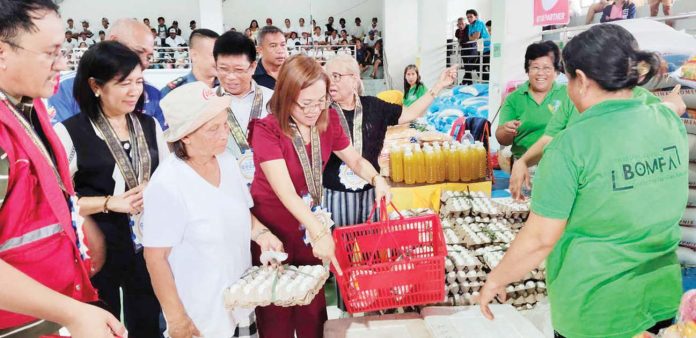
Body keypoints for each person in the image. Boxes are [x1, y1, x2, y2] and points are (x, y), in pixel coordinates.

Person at [479, 24, 688, 338]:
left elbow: (540, 239)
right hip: (660, 297)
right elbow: (673, 106)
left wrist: (496, 279)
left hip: (596, 309)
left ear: (583, 80)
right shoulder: (668, 122)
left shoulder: (571, 146)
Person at [0, 1, 127, 337]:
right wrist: (72, 312)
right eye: (51, 52)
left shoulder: (30, 105)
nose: (63, 63)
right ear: (2, 53)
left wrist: (76, 224)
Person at [250, 53, 389, 338]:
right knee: (277, 310)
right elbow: (286, 193)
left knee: (312, 308)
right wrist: (319, 231)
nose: (315, 110)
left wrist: (377, 178)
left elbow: (355, 160)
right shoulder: (267, 130)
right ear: (287, 97)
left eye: (321, 101)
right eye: (306, 104)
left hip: (309, 226)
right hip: (275, 229)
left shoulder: (327, 120)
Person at [143, 81, 283, 338]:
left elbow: (241, 213)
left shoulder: (227, 162)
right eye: (213, 129)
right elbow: (155, 258)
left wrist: (263, 234)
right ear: (185, 136)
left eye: (225, 124)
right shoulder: (168, 185)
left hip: (239, 303)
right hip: (200, 316)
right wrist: (177, 319)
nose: (224, 134)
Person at [54, 41, 168, 338]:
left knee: (147, 322)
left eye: (139, 82)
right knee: (102, 325)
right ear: (95, 85)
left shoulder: (149, 124)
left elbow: (169, 179)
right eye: (123, 83)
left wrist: (153, 189)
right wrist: (108, 203)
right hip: (98, 247)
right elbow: (56, 201)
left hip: (146, 245)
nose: (134, 91)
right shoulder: (69, 132)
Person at [49, 18, 166, 128]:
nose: (145, 63)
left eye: (149, 56)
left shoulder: (154, 95)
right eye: (138, 51)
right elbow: (61, 144)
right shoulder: (64, 88)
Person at [214, 31, 274, 185]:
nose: (231, 77)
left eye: (239, 70)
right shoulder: (207, 101)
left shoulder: (273, 101)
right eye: (223, 69)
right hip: (222, 184)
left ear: (253, 66)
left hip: (267, 184)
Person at [495, 41, 569, 161]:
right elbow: (502, 139)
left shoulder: (567, 94)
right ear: (527, 70)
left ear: (556, 71)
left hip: (560, 163)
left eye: (547, 68)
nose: (540, 73)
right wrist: (506, 130)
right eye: (535, 67)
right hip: (524, 165)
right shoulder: (514, 98)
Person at [161, 28, 220, 97]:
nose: (220, 60)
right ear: (194, 55)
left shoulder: (228, 88)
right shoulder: (173, 93)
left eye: (221, 55)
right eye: (214, 55)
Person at [253, 25, 288, 90]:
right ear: (260, 50)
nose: (280, 50)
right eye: (273, 46)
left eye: (283, 45)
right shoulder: (252, 78)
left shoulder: (295, 72)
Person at [461, 9, 491, 85]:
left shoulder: (479, 23)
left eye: (471, 17)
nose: (469, 19)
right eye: (467, 17)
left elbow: (475, 37)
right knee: (477, 67)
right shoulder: (470, 26)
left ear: (476, 17)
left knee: (483, 66)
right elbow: (470, 37)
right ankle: (485, 83)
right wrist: (473, 37)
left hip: (488, 49)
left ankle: (487, 83)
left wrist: (473, 36)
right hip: (480, 49)